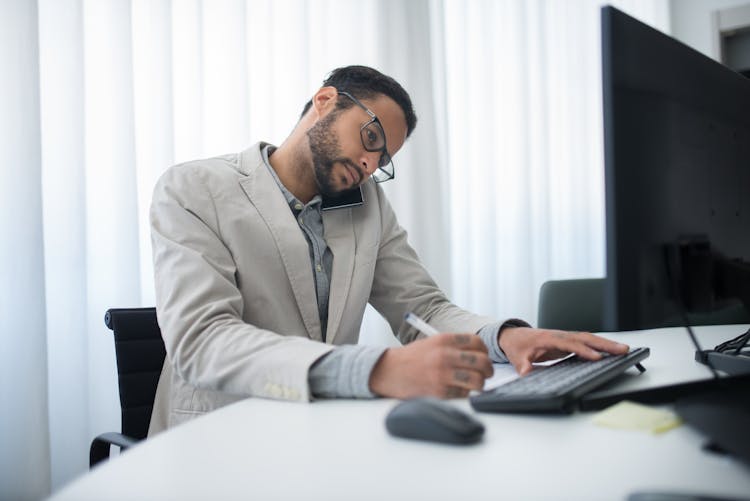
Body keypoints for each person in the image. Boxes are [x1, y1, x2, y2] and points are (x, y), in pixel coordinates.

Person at [148, 65, 628, 434]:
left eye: (383, 158)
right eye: (371, 137)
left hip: (321, 433)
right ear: (325, 101)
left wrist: (504, 337)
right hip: (219, 439)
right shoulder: (194, 188)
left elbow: (421, 307)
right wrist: (377, 369)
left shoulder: (368, 203)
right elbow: (202, 340)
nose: (370, 163)